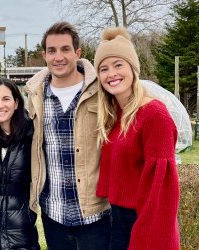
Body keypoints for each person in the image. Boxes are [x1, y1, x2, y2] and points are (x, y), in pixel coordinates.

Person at [25, 22, 110, 250]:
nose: (58, 57)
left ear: (78, 53)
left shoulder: (100, 91)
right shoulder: (35, 96)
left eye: (65, 49)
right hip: (53, 215)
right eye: (51, 51)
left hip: (95, 215)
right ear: (44, 55)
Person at [94, 27, 180, 250]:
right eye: (103, 68)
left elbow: (161, 193)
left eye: (118, 65)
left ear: (133, 68)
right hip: (117, 221)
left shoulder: (155, 115)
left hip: (144, 224)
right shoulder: (114, 115)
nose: (111, 73)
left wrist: (145, 239)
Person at [0, 77, 40, 249]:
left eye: (6, 99)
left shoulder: (32, 134)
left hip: (21, 231)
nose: (0, 105)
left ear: (16, 103)